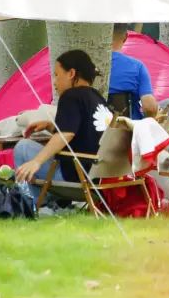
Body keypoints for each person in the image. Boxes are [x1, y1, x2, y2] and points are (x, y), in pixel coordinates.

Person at [14, 50, 109, 184]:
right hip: (99, 178)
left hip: (75, 176)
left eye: (57, 75)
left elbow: (66, 134)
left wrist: (36, 162)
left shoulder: (71, 96)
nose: (54, 82)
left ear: (71, 74)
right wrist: (50, 126)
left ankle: (29, 197)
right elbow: (83, 133)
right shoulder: (97, 97)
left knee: (23, 146)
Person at [109, 23, 158, 120]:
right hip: (130, 126)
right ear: (126, 37)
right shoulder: (137, 67)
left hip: (94, 125)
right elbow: (149, 108)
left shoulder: (87, 65)